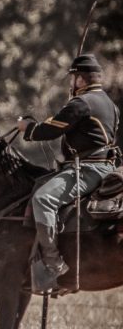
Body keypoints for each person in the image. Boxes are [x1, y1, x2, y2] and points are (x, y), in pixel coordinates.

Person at [18, 54, 119, 287]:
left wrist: (27, 127)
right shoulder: (110, 104)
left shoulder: (81, 103)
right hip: (108, 166)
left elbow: (51, 129)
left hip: (88, 170)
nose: (71, 83)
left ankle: (54, 263)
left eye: (72, 78)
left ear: (81, 80)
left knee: (43, 199)